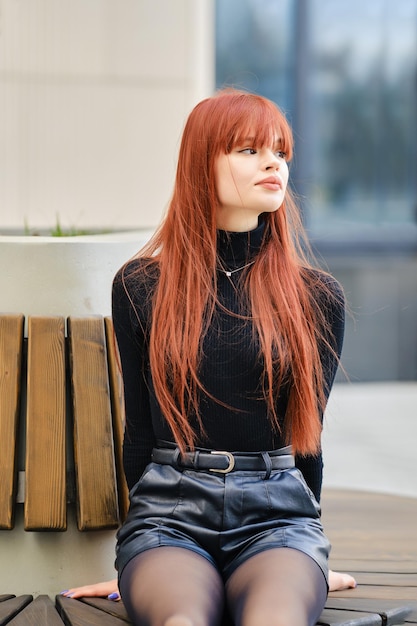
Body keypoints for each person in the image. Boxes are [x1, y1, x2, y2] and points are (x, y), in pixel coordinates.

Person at [63, 89, 356, 625]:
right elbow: (141, 435)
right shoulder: (142, 286)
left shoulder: (317, 296)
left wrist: (309, 561)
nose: (273, 163)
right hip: (169, 519)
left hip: (278, 521)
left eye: (280, 152)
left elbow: (306, 441)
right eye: (248, 151)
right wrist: (141, 567)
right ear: (202, 165)